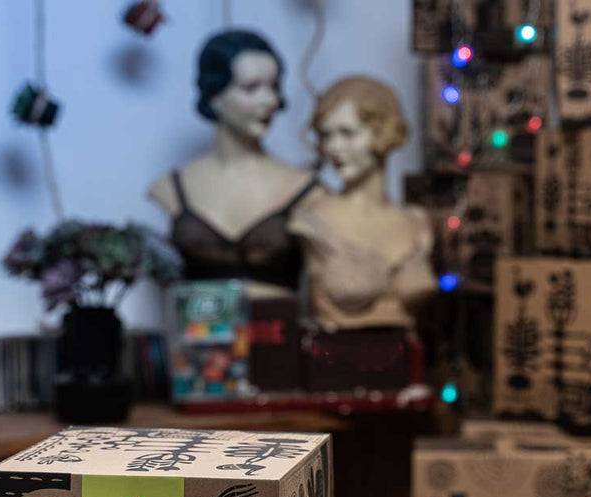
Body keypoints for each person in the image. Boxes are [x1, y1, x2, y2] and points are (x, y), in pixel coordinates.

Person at [147, 30, 317, 292]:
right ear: (215, 95)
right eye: (251, 88)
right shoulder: (170, 188)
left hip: (280, 318)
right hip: (196, 319)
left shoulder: (308, 191)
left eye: (273, 87)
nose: (269, 101)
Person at [290, 75, 436, 331]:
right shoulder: (312, 220)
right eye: (326, 135)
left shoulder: (416, 222)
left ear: (384, 131)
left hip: (407, 354)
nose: (333, 147)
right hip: (337, 354)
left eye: (347, 133)